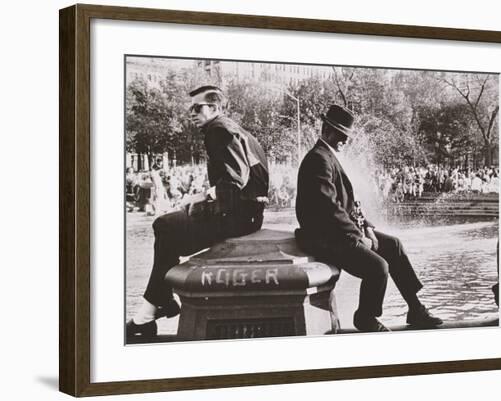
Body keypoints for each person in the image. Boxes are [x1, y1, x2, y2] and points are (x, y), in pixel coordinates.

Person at [126, 85, 269, 340]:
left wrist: (199, 198)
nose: (191, 113)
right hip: (248, 213)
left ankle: (154, 307)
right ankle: (155, 306)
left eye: (197, 107)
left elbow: (234, 181)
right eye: (190, 108)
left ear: (214, 108)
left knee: (164, 226)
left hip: (237, 217)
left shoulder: (218, 130)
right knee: (168, 228)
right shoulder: (235, 128)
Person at [294, 105, 442, 332]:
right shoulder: (318, 159)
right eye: (341, 135)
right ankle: (366, 316)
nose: (346, 141)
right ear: (327, 131)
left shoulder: (328, 157)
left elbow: (349, 204)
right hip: (326, 237)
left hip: (338, 232)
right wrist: (357, 236)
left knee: (394, 245)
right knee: (378, 267)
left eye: (348, 137)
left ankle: (415, 308)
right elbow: (328, 209)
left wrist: (368, 228)